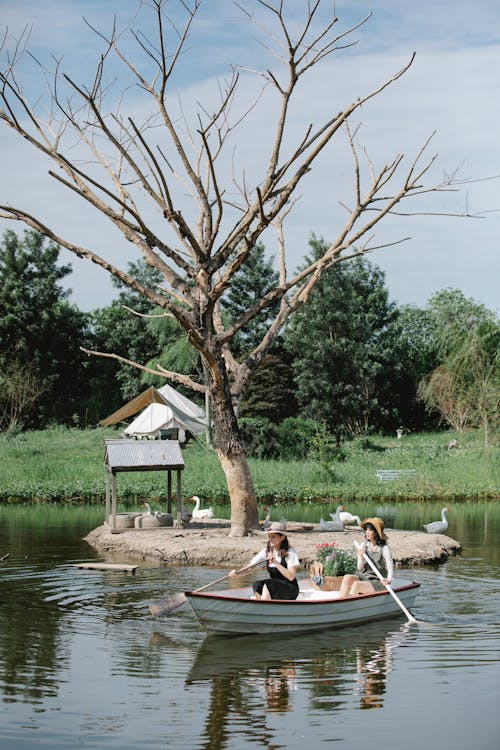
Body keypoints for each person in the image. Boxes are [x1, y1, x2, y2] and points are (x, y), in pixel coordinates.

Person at [229, 521, 300, 600]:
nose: (270, 539)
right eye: (269, 537)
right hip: (275, 586)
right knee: (257, 585)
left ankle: (263, 605)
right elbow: (250, 567)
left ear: (282, 537)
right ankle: (262, 607)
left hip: (290, 589)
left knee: (268, 583)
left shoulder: (290, 552)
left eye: (273, 537)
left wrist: (275, 562)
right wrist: (237, 573)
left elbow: (291, 576)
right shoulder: (265, 552)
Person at [339, 517, 394, 598]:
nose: (367, 532)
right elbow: (360, 568)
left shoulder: (384, 548)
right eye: (366, 530)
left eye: (370, 530)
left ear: (376, 533)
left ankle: (347, 605)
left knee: (356, 585)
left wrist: (388, 580)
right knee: (347, 577)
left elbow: (390, 567)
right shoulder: (363, 546)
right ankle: (341, 601)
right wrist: (361, 557)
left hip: (378, 580)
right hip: (365, 576)